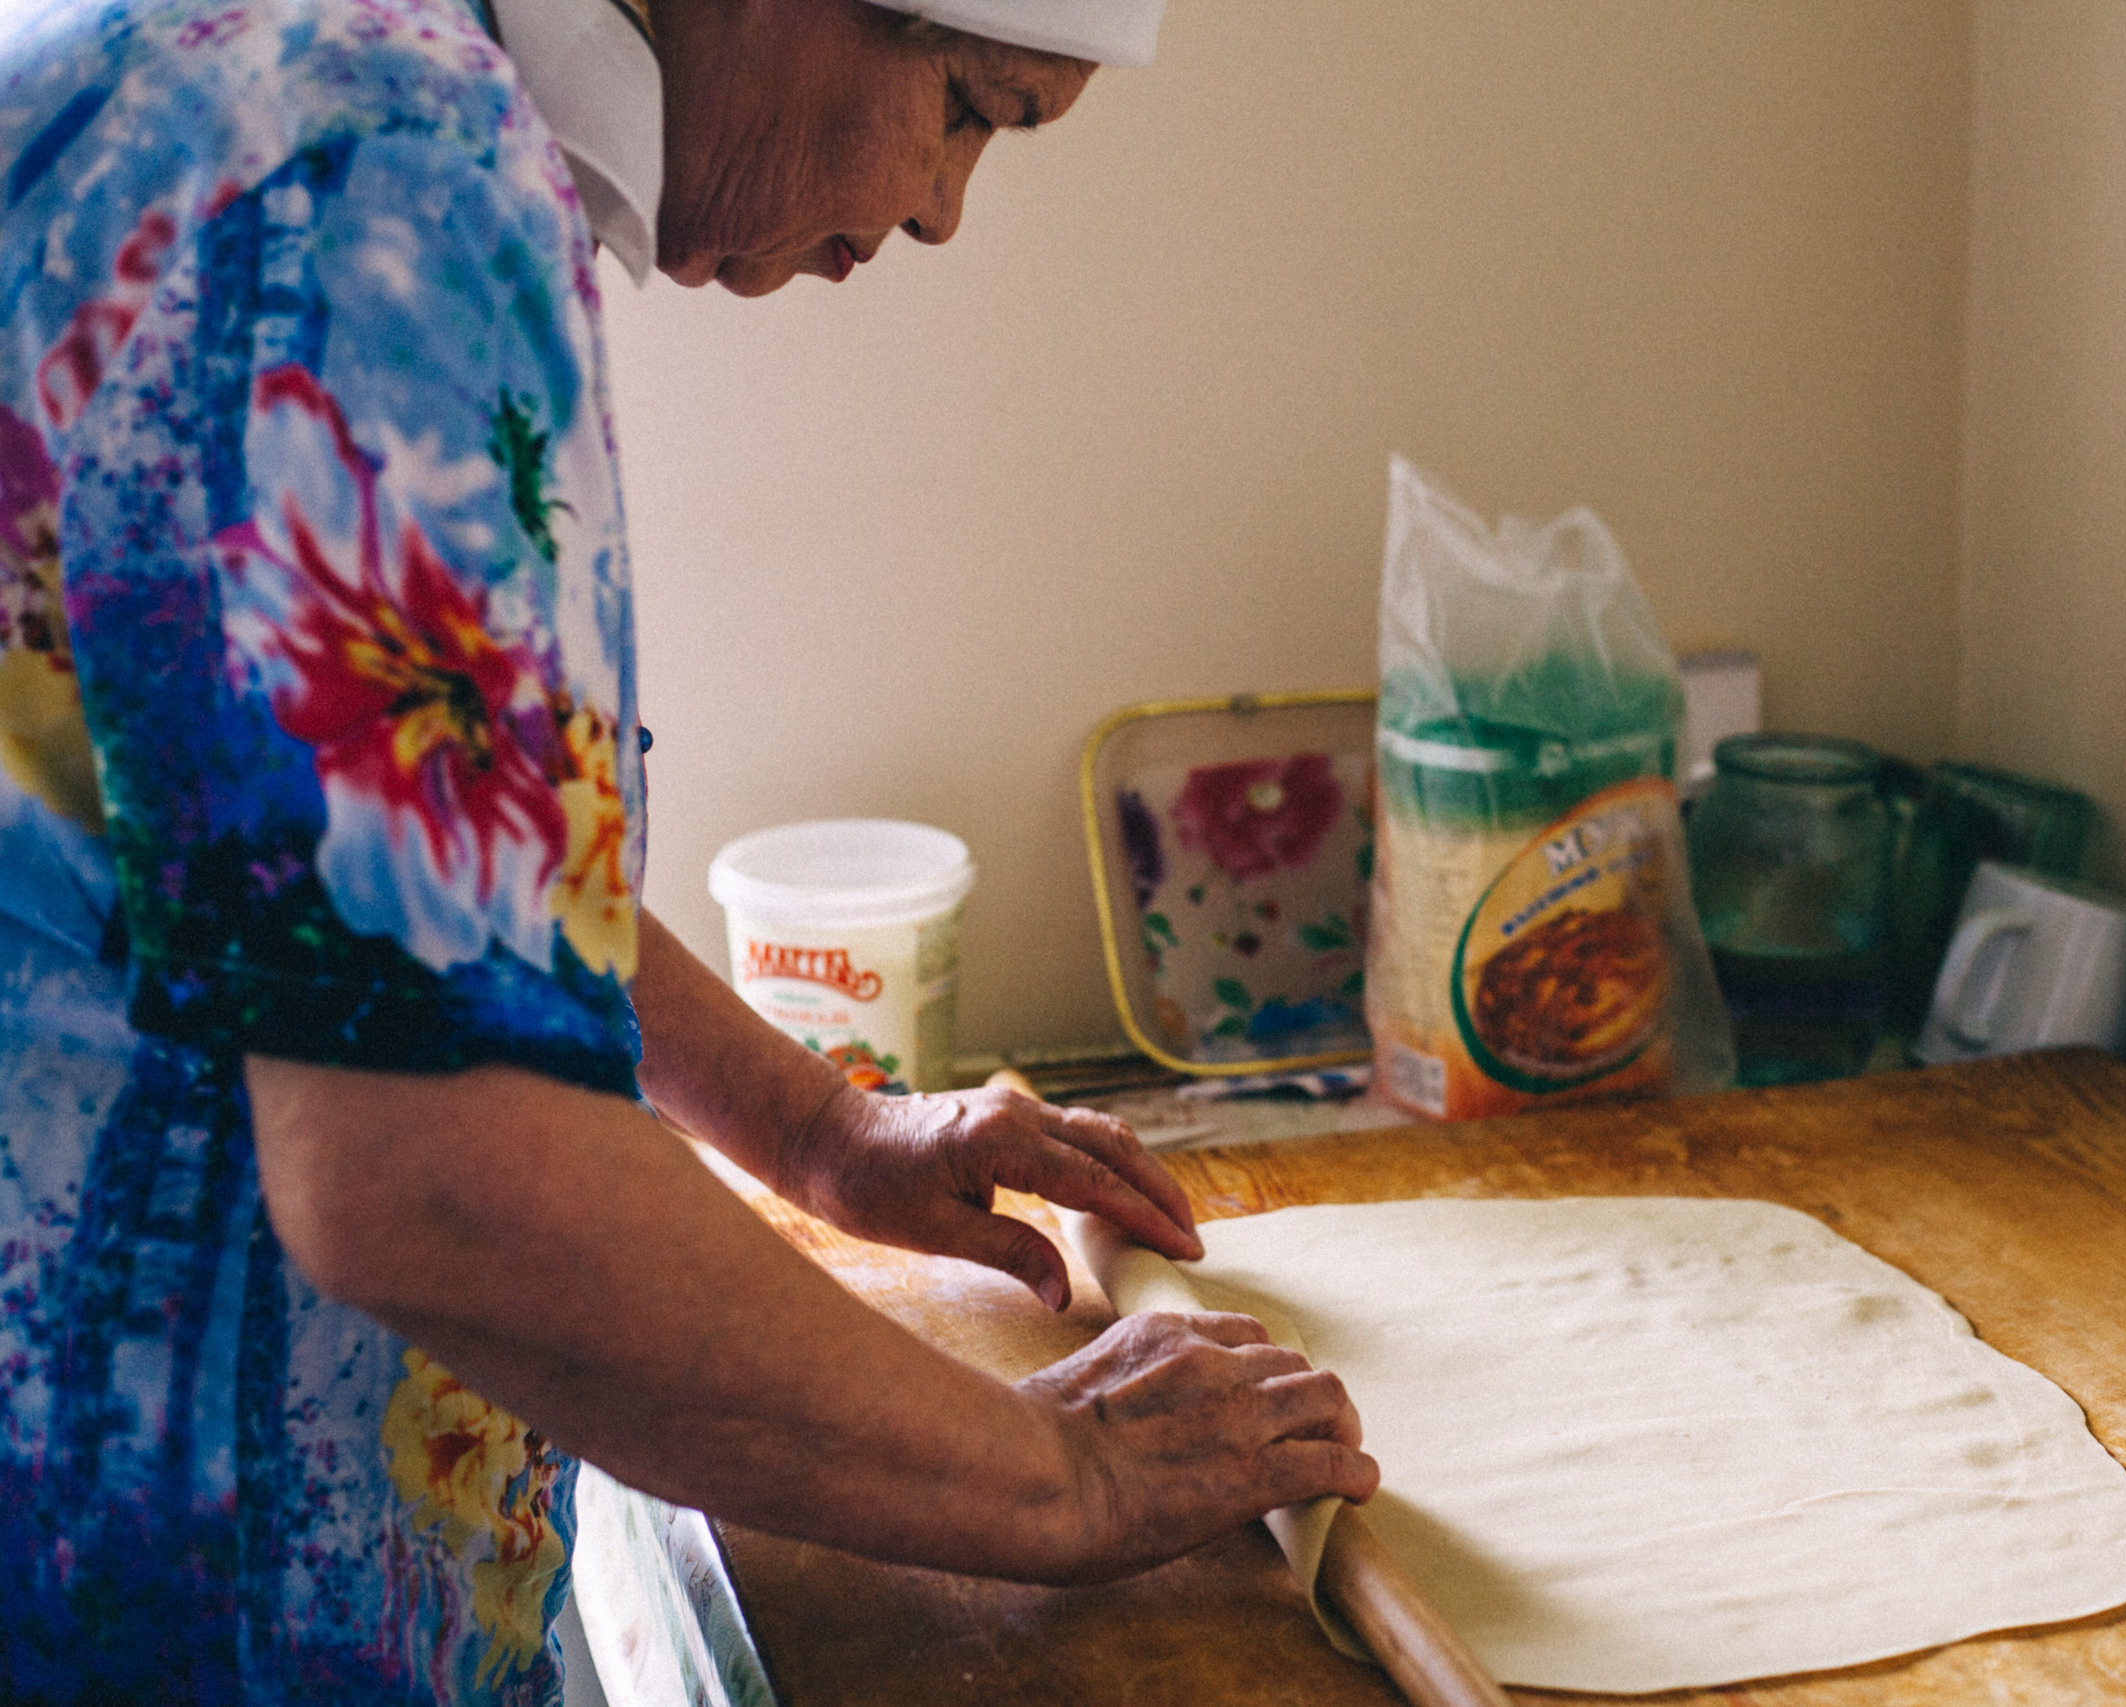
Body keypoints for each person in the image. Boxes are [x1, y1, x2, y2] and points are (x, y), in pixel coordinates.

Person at [0, 0, 1379, 1697]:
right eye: (969, 107)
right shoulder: (376, 162)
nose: (942, 209)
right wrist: (1061, 1475)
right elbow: (444, 1178)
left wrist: (815, 1128)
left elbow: (378, 878)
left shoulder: (300, 75)